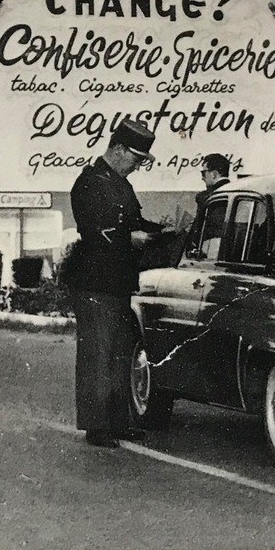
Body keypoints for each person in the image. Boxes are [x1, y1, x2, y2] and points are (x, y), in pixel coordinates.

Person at [64, 117, 169, 448]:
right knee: (99, 352)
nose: (138, 166)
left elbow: (134, 221)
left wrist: (160, 229)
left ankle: (117, 421)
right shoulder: (89, 183)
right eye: (136, 159)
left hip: (119, 282)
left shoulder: (121, 184)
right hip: (95, 281)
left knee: (121, 353)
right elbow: (99, 233)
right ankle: (97, 426)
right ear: (120, 149)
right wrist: (133, 238)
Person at [192, 153, 230, 222]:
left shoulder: (206, 197)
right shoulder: (234, 190)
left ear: (214, 174)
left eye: (203, 173)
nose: (202, 178)